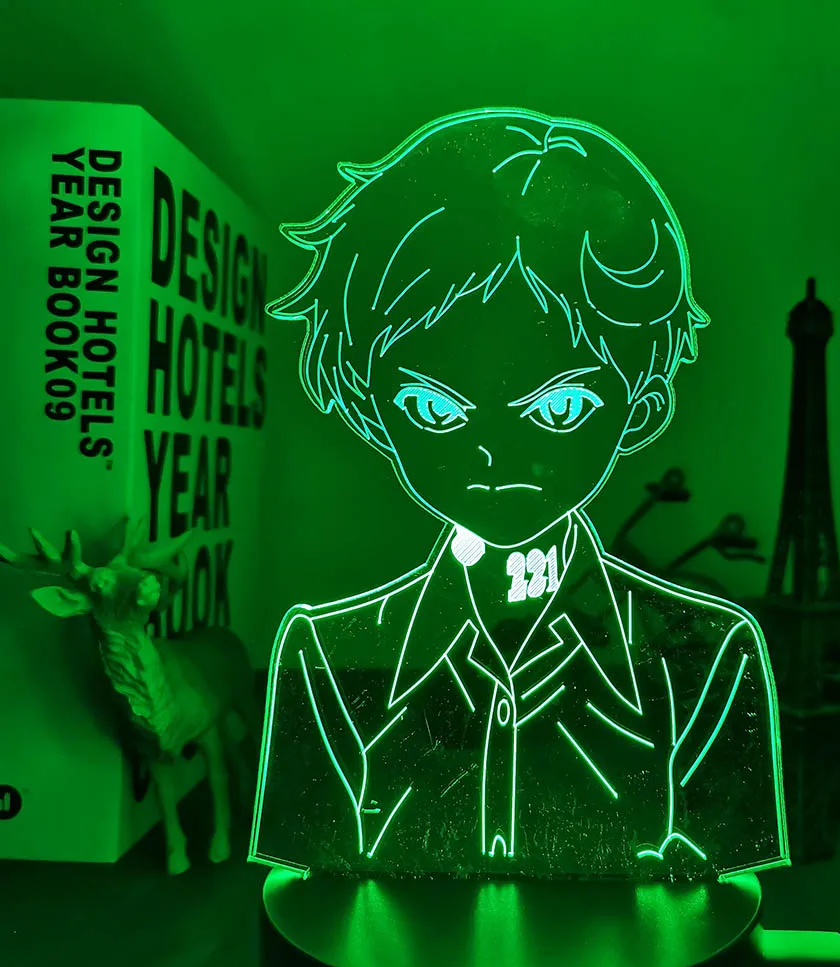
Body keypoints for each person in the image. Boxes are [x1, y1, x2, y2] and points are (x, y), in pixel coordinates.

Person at [249, 108, 789, 881]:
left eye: (560, 408)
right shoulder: (326, 658)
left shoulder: (706, 656)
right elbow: (306, 907)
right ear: (369, 410)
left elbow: (726, 908)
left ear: (642, 408)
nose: (494, 456)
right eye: (433, 408)